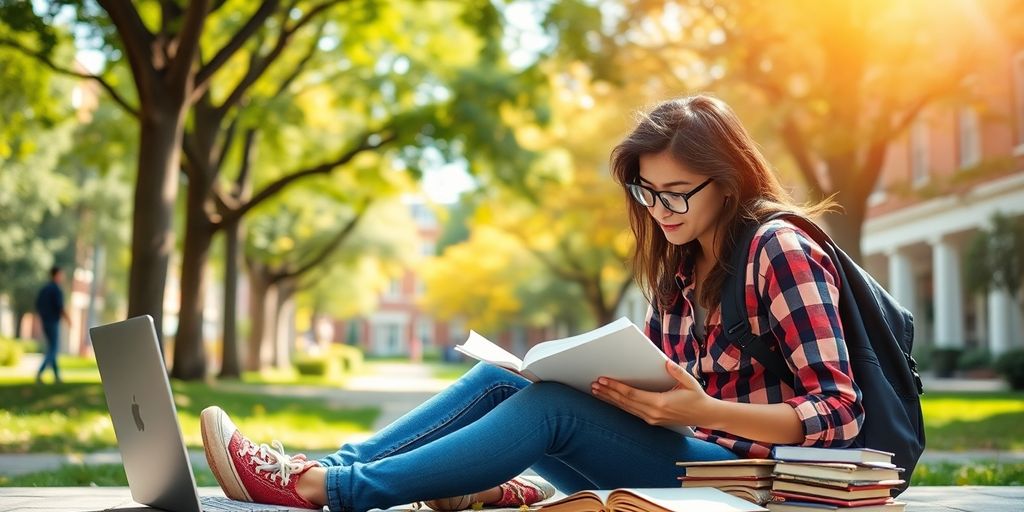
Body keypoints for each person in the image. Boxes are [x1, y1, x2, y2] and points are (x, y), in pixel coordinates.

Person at [200, 94, 864, 512]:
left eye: (678, 192)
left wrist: (704, 411)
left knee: (550, 408)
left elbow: (839, 412)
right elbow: (660, 385)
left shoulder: (779, 249)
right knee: (504, 379)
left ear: (727, 182)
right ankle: (325, 467)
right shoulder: (681, 266)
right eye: (647, 193)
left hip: (760, 483)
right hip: (687, 452)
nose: (660, 210)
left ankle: (329, 492)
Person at [35, 265, 70, 384]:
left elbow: (38, 305)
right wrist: (68, 320)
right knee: (53, 349)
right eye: (61, 274)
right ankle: (40, 372)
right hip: (53, 321)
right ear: (56, 275)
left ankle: (56, 376)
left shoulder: (44, 289)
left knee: (52, 347)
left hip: (45, 321)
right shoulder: (56, 289)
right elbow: (60, 307)